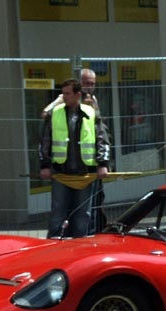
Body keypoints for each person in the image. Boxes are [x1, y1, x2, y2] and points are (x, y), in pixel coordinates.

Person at [38, 78, 110, 238]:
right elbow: (44, 141)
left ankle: (80, 244)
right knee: (58, 212)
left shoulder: (91, 113)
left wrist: (102, 164)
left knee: (83, 213)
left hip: (85, 173)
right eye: (63, 93)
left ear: (77, 95)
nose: (64, 97)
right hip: (61, 172)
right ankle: (55, 243)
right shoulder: (55, 113)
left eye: (67, 93)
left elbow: (102, 139)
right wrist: (45, 165)